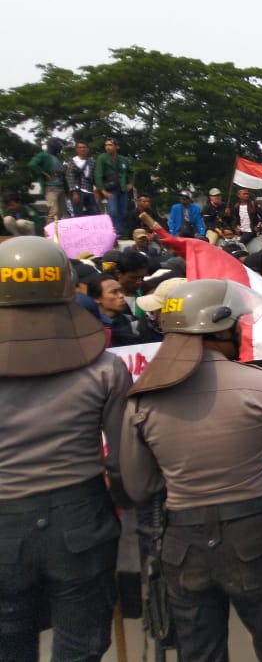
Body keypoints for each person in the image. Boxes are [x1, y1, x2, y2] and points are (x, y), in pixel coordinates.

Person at [120, 279, 262, 661]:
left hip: (181, 544)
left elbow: (139, 488)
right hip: (256, 534)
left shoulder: (142, 399)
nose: (241, 329)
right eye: (237, 323)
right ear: (220, 328)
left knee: (199, 652)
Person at [0, 237, 132, 660]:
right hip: (82, 520)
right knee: (81, 645)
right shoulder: (106, 368)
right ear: (68, 288)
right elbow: (123, 462)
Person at [95, 137, 135, 237]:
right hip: (110, 189)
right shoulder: (102, 158)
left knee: (123, 211)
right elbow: (98, 174)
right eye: (106, 145)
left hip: (122, 188)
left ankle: (120, 233)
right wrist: (102, 190)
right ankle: (113, 231)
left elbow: (132, 172)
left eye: (110, 145)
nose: (107, 147)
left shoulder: (123, 159)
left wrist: (131, 183)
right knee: (113, 210)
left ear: (116, 146)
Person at [29, 136, 68, 224]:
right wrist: (42, 172)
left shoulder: (57, 157)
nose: (60, 147)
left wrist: (66, 188)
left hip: (61, 187)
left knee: (61, 212)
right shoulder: (43, 155)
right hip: (50, 187)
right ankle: (49, 235)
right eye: (59, 145)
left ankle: (57, 234)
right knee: (54, 212)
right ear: (53, 145)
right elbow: (32, 164)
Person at [66, 139, 100, 216]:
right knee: (78, 213)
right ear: (77, 149)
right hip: (77, 190)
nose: (82, 149)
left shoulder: (92, 161)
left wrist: (97, 189)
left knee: (95, 213)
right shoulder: (73, 161)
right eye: (80, 147)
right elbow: (70, 177)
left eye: (84, 147)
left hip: (89, 190)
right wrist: (73, 192)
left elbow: (94, 176)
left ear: (88, 149)